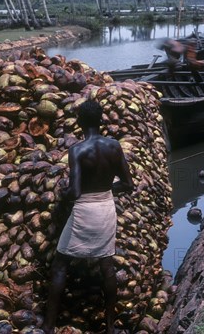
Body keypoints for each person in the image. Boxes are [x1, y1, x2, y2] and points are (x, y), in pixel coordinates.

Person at [43, 99, 134, 334]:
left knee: (60, 265)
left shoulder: (77, 149)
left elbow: (74, 191)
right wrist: (104, 190)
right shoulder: (114, 146)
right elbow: (127, 184)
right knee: (107, 264)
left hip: (85, 210)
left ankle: (49, 325)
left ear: (80, 122)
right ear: (101, 119)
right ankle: (111, 325)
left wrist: (60, 195)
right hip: (105, 209)